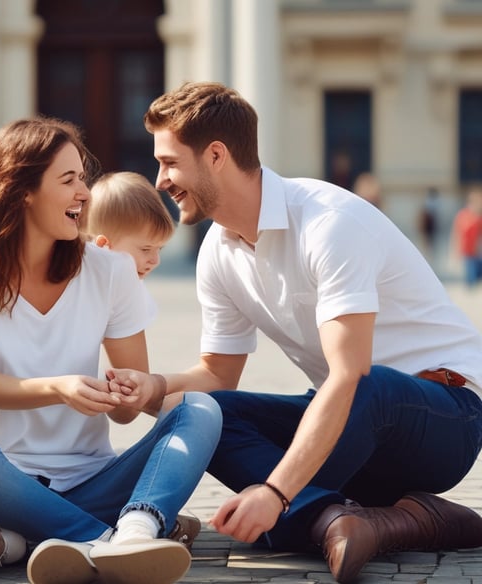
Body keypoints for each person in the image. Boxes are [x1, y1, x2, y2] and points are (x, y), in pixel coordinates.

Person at [108, 81, 482, 584]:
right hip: (352, 422)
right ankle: (351, 521)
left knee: (360, 381)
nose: (160, 180)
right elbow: (219, 374)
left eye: (170, 163)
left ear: (216, 155)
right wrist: (156, 388)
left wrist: (276, 491)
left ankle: (303, 512)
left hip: (444, 415)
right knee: (201, 413)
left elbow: (350, 376)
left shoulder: (329, 223)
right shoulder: (218, 252)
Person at [0, 117, 222, 584]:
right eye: (69, 180)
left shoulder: (109, 272)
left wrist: (126, 395)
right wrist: (60, 388)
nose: (85, 193)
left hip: (87, 482)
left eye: (83, 178)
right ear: (21, 189)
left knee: (201, 410)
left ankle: (125, 529)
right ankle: (107, 542)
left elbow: (128, 409)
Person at [85, 170, 176, 319]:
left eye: (159, 249)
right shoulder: (88, 293)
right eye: (145, 249)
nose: (155, 261)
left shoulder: (128, 285)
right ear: (103, 245)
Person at [451, 185, 482, 288]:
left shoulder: (478, 216)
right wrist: (455, 248)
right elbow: (458, 233)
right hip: (468, 250)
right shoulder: (463, 215)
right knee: (471, 278)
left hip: (477, 251)